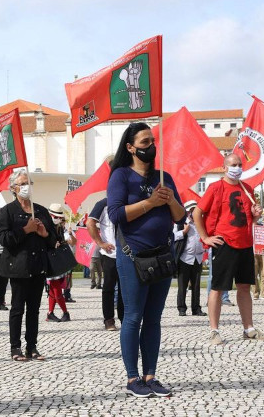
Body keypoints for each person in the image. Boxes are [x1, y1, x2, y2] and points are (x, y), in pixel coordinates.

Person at [107, 122, 185, 398]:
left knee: (154, 318)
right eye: (144, 142)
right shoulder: (120, 176)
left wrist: (170, 199)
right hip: (132, 257)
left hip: (162, 256)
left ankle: (151, 375)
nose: (150, 147)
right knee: (133, 317)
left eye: (152, 141)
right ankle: (132, 378)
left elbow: (179, 216)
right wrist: (150, 203)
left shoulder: (163, 176)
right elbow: (116, 215)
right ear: (130, 148)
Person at [192, 153, 264, 346]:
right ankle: (214, 331)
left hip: (245, 243)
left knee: (244, 287)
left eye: (239, 164)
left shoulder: (247, 189)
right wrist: (205, 237)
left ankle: (249, 328)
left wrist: (255, 216)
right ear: (224, 167)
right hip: (224, 243)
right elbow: (197, 212)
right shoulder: (215, 188)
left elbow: (248, 220)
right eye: (233, 164)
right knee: (218, 288)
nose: (237, 167)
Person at [0, 169, 57, 361]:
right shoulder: (7, 211)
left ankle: (32, 346)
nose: (26, 187)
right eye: (22, 184)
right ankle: (15, 347)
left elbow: (54, 238)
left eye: (29, 183)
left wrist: (44, 234)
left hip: (38, 266)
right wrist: (26, 229)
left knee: (34, 309)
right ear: (13, 188)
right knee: (17, 308)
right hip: (18, 267)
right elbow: (3, 238)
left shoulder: (40, 210)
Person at [87, 197, 124, 330]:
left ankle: (125, 318)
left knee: (125, 288)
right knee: (108, 287)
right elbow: (89, 222)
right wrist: (100, 243)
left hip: (127, 253)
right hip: (110, 254)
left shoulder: (129, 201)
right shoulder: (103, 204)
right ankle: (109, 320)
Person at [173, 200, 207, 317]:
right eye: (191, 210)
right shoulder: (180, 223)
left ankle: (196, 308)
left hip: (198, 257)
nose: (193, 213)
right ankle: (181, 308)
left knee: (196, 285)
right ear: (187, 212)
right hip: (185, 258)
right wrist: (184, 231)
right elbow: (172, 237)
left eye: (194, 210)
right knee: (182, 285)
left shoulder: (200, 223)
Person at [45, 203, 76, 323]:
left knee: (55, 288)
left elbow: (71, 242)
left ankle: (56, 313)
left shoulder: (59, 227)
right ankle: (56, 313)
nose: (58, 219)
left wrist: (61, 241)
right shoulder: (47, 226)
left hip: (57, 260)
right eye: (56, 217)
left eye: (59, 217)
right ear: (50, 215)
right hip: (51, 260)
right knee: (54, 288)